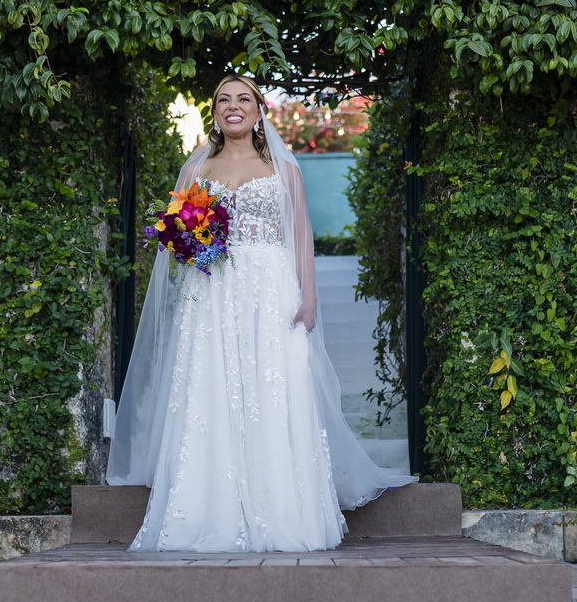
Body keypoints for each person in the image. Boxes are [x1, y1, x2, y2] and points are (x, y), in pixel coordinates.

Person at [106, 75, 416, 552]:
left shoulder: (284, 169)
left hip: (272, 289)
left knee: (276, 388)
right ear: (214, 113)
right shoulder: (197, 169)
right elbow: (174, 238)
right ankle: (209, 510)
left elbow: (302, 233)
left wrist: (308, 296)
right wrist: (192, 241)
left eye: (243, 99)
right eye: (223, 100)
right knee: (212, 390)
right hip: (212, 293)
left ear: (258, 110)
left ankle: (284, 512)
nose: (233, 107)